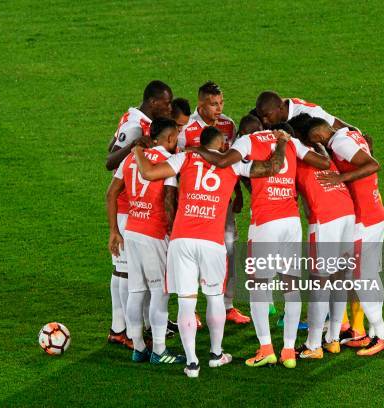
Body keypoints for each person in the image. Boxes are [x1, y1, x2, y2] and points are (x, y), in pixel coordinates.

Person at [134, 126, 289, 378]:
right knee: (215, 297)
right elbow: (273, 167)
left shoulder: (185, 157)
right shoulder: (234, 165)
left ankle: (192, 363)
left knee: (186, 301)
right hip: (211, 241)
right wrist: (281, 142)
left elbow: (149, 172)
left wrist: (138, 150)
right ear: (223, 144)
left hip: (182, 240)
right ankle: (216, 355)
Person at [189, 122, 330, 368]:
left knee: (258, 287)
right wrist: (319, 145)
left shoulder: (248, 141)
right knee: (291, 286)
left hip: (266, 223)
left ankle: (266, 348)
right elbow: (323, 163)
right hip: (291, 222)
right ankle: (288, 351)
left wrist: (196, 150)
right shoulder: (290, 140)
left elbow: (224, 161)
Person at [303, 117, 384, 356]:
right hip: (375, 212)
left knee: (360, 277)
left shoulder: (340, 141)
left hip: (364, 219)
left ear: (319, 137)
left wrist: (339, 178)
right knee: (370, 275)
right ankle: (373, 332)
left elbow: (373, 164)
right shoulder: (350, 133)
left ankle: (383, 335)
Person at [106, 118, 185, 364]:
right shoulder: (168, 162)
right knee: (160, 293)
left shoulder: (131, 158)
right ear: (170, 139)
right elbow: (169, 203)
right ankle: (159, 351)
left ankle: (138, 348)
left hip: (131, 230)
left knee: (136, 291)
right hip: (155, 233)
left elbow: (111, 193)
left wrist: (113, 231)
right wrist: (174, 235)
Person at [105, 80, 173, 348]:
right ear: (154, 102)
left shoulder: (135, 116)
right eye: (166, 103)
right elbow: (110, 159)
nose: (169, 107)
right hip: (127, 206)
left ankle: (133, 328)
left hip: (133, 206)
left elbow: (112, 139)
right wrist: (134, 145)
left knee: (130, 276)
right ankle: (120, 329)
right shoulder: (136, 124)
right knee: (125, 274)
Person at [178, 81, 250, 325]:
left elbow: (233, 162)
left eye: (221, 103)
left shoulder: (228, 126)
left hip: (221, 201)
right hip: (192, 202)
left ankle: (228, 306)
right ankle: (191, 308)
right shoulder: (186, 128)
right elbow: (177, 164)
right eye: (213, 104)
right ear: (200, 104)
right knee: (191, 252)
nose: (218, 109)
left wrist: (238, 193)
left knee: (229, 248)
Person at [288, 113, 356, 359]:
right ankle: (333, 339)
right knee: (339, 280)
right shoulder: (323, 150)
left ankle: (313, 345)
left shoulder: (296, 154)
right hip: (348, 213)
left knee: (319, 283)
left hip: (325, 219)